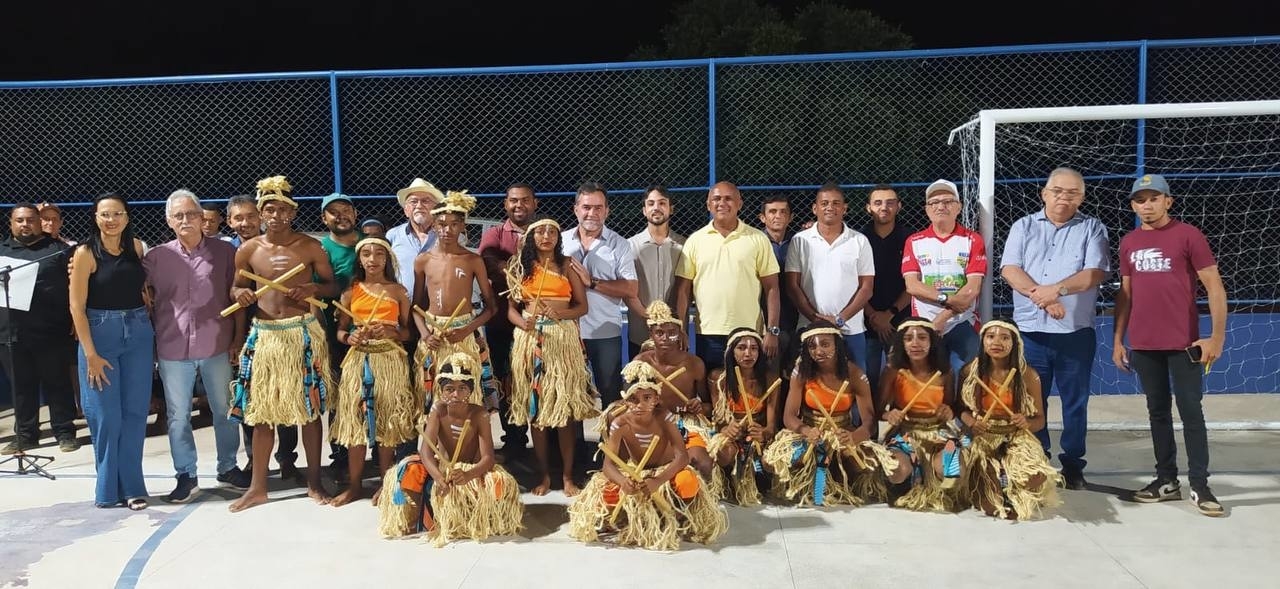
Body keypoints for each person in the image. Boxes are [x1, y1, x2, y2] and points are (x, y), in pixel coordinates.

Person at [1114, 174, 1227, 517]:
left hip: (1184, 344)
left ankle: (1201, 485)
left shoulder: (1189, 235)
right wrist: (1118, 340)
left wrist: (1216, 337)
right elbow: (1126, 294)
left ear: (1168, 201)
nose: (1146, 205)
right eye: (1140, 200)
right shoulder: (1129, 242)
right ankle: (1166, 481)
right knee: (1157, 412)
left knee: (1191, 412)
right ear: (1133, 205)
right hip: (1144, 344)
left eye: (1153, 198)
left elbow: (1215, 288)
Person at [226, 175, 337, 512]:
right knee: (261, 414)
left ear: (292, 212)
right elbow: (234, 289)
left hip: (301, 333)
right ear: (261, 213)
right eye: (269, 209)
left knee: (310, 411)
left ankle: (314, 482)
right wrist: (239, 294)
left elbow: (332, 287)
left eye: (282, 209)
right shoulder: (248, 250)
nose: (275, 215)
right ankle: (259, 487)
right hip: (265, 337)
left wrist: (313, 290)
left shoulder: (310, 247)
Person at [1000, 167, 1109, 490]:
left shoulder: (1092, 228)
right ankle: (1038, 458)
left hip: (1075, 333)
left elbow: (1094, 274)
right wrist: (1045, 299)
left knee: (1075, 402)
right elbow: (1009, 269)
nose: (1064, 197)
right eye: (1058, 190)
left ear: (1082, 197)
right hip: (1031, 332)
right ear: (1044, 193)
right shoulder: (1023, 226)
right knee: (1032, 401)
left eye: (1072, 192)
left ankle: (1073, 465)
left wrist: (1056, 290)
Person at [145, 190, 250, 503]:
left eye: (192, 214)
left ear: (202, 217)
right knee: (178, 415)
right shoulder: (155, 258)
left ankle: (228, 467)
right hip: (172, 347)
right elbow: (142, 296)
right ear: (169, 220)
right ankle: (185, 474)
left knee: (224, 410)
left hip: (216, 344)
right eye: (179, 215)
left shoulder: (224, 253)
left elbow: (237, 296)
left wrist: (237, 338)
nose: (186, 220)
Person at [568, 360, 728, 551]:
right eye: (633, 399)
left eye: (646, 398)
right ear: (625, 400)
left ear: (657, 399)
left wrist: (658, 480)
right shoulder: (620, 424)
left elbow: (682, 458)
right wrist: (622, 482)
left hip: (665, 472)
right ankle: (631, 516)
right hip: (637, 473)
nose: (640, 405)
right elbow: (608, 466)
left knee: (687, 482)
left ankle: (676, 515)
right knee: (606, 492)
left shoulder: (664, 418)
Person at [377, 353, 523, 545]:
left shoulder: (479, 414)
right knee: (406, 473)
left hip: (470, 470)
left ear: (470, 391)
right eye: (449, 389)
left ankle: (481, 520)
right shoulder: (438, 411)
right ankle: (414, 518)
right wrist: (438, 477)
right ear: (441, 391)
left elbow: (488, 459)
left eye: (462, 388)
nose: (456, 394)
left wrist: (468, 475)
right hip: (442, 470)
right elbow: (425, 452)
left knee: (501, 482)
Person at [69, 193, 154, 510]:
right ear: (95, 218)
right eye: (105, 214)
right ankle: (107, 490)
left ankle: (133, 487)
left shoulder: (137, 248)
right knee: (106, 416)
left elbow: (144, 288)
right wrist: (90, 353)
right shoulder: (85, 254)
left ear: (127, 217)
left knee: (134, 413)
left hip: (138, 331)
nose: (111, 219)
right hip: (100, 333)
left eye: (117, 213)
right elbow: (76, 306)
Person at [504, 217, 599, 496]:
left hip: (562, 340)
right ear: (531, 237)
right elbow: (510, 309)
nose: (546, 236)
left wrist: (562, 314)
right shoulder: (519, 268)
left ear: (559, 237)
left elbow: (581, 307)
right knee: (537, 410)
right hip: (531, 340)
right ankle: (544, 475)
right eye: (540, 231)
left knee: (564, 410)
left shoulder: (567, 264)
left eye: (552, 232)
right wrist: (524, 324)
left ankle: (568, 476)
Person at [762, 320, 897, 507]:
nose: (818, 351)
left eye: (825, 344)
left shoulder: (854, 374)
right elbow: (789, 416)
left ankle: (836, 481)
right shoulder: (801, 371)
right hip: (810, 432)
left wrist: (854, 436)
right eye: (812, 346)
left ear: (837, 345)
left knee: (867, 463)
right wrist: (805, 430)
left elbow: (869, 421)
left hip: (843, 432)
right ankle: (813, 480)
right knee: (771, 460)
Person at [330, 238, 414, 507]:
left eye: (379, 254)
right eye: (366, 253)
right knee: (356, 424)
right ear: (360, 259)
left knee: (387, 425)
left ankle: (384, 483)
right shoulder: (350, 292)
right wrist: (349, 338)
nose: (373, 259)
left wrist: (392, 332)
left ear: (387, 259)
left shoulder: (398, 291)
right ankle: (355, 486)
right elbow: (341, 330)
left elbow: (408, 332)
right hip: (358, 362)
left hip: (389, 362)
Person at [225, 193, 299, 478]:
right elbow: (234, 291)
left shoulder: (286, 246)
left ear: (260, 217)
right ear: (230, 222)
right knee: (255, 400)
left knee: (288, 396)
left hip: (285, 333)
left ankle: (286, 458)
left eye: (250, 216)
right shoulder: (233, 250)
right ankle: (256, 460)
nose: (245, 223)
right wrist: (237, 338)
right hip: (252, 334)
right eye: (238, 218)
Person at [956, 319, 1059, 520]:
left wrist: (1026, 423)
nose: (997, 342)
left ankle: (1010, 478)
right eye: (991, 336)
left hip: (1016, 436)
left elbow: (1040, 420)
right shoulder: (970, 371)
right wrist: (971, 422)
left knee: (1035, 476)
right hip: (981, 437)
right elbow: (960, 409)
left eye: (1005, 337)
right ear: (982, 340)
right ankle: (995, 480)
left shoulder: (1028, 375)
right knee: (989, 505)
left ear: (1015, 343)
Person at [674, 181, 782, 372]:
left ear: (739, 204)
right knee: (712, 393)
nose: (722, 203)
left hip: (748, 333)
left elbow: (772, 288)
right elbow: (683, 290)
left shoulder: (757, 239)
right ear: (708, 205)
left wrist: (772, 330)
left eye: (728, 198)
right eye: (716, 199)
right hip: (708, 334)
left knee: (748, 394)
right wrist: (681, 329)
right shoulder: (695, 241)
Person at [0, 203, 78, 454]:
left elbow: (72, 287)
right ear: (11, 223)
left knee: (57, 383)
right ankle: (25, 435)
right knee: (21, 386)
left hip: (51, 331)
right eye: (20, 220)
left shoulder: (57, 250)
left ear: (38, 221)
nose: (25, 225)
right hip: (11, 333)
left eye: (30, 220)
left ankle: (65, 432)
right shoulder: (1, 251)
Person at [411, 191, 499, 410]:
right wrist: (425, 335)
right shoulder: (423, 261)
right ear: (433, 226)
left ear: (462, 226)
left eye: (453, 224)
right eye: (441, 224)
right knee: (436, 398)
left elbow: (491, 307)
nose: (446, 230)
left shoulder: (472, 260)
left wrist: (467, 330)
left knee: (467, 397)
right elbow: (416, 307)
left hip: (464, 334)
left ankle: (469, 442)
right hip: (435, 335)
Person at [562, 182, 638, 408]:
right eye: (586, 207)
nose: (592, 213)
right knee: (571, 393)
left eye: (598, 207)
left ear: (607, 211)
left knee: (610, 392)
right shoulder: (561, 241)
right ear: (576, 209)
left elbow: (630, 288)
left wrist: (591, 282)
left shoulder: (619, 244)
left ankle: (610, 442)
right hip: (567, 331)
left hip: (605, 332)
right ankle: (575, 444)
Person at [785, 183, 876, 372]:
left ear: (844, 208)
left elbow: (866, 287)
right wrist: (814, 317)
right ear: (815, 208)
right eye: (824, 203)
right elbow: (792, 285)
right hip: (809, 327)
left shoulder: (859, 241)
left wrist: (841, 319)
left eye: (836, 203)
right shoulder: (800, 240)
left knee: (855, 384)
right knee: (809, 384)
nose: (830, 207)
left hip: (850, 328)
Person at [879, 319, 964, 512]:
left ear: (932, 342)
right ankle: (907, 486)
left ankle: (936, 482)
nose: (915, 343)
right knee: (898, 471)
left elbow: (951, 406)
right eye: (909, 339)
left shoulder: (945, 371)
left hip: (938, 432)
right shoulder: (894, 370)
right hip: (905, 432)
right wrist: (889, 415)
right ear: (902, 343)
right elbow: (878, 410)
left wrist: (948, 411)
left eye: (922, 338)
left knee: (948, 469)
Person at [902, 179, 986, 373]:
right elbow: (912, 286)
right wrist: (945, 300)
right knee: (927, 384)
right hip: (924, 323)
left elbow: (972, 288)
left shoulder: (972, 239)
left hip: (962, 323)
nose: (940, 206)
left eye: (947, 201)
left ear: (959, 207)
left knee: (965, 381)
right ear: (927, 209)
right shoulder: (914, 241)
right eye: (934, 202)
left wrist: (942, 318)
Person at [478, 183, 537, 455]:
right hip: (502, 320)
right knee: (505, 379)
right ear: (505, 204)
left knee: (536, 378)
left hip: (539, 324)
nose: (519, 206)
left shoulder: (543, 232)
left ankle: (546, 439)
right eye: (513, 201)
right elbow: (489, 261)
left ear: (534, 204)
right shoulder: (495, 234)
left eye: (525, 201)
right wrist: (520, 270)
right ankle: (514, 437)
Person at [632, 301, 714, 482]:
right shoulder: (641, 363)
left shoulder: (694, 364)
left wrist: (699, 407)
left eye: (671, 333)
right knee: (651, 465)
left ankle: (697, 504)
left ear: (680, 334)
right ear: (651, 335)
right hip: (652, 422)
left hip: (685, 422)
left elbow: (710, 407)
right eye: (659, 333)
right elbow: (629, 402)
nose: (665, 338)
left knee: (703, 464)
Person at [706, 327, 781, 506]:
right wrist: (725, 428)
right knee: (723, 452)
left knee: (771, 459)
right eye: (741, 348)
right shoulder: (718, 378)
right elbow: (718, 419)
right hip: (733, 433)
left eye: (754, 348)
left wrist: (764, 433)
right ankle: (728, 478)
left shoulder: (770, 379)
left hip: (757, 433)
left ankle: (759, 478)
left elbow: (772, 425)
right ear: (731, 351)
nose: (748, 353)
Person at [318, 192, 362, 481]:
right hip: (335, 332)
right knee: (339, 393)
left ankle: (378, 451)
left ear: (354, 214)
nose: (341, 215)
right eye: (333, 212)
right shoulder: (320, 249)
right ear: (324, 218)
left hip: (372, 330)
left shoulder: (368, 246)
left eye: (346, 210)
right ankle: (341, 455)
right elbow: (315, 292)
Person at [862, 184, 912, 396]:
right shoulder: (858, 239)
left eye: (890, 202)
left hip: (899, 321)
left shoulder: (910, 239)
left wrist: (889, 314)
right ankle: (869, 426)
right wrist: (874, 315)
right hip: (865, 322)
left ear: (899, 206)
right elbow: (853, 284)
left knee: (903, 381)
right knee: (868, 381)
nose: (884, 207)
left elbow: (914, 283)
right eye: (878, 202)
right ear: (868, 208)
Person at [626, 185, 686, 358]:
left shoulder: (684, 245)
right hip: (640, 333)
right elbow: (627, 291)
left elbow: (686, 289)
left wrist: (676, 324)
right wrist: (648, 316)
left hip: (674, 333)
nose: (656, 208)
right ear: (644, 210)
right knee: (641, 382)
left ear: (670, 209)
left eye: (662, 203)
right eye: (651, 203)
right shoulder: (630, 246)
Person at [759, 194, 799, 373]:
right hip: (765, 323)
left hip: (796, 321)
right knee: (769, 376)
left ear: (790, 217)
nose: (778, 216)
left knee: (795, 375)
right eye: (772, 212)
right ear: (763, 217)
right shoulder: (755, 243)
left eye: (783, 212)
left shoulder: (800, 242)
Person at [388, 178, 443, 295]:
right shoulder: (393, 235)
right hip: (401, 307)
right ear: (406, 210)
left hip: (438, 308)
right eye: (413, 201)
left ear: (436, 209)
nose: (419, 206)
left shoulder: (447, 236)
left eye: (426, 201)